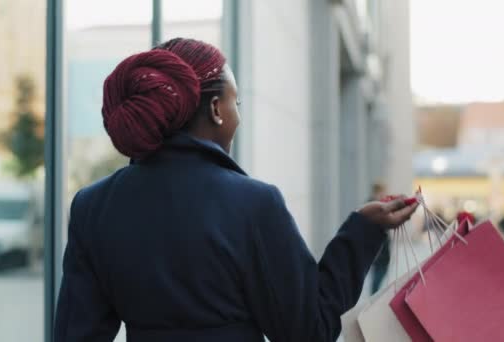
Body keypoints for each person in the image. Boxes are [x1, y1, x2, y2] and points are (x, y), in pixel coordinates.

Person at [53, 38, 418, 342]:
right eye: (236, 102)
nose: (238, 116)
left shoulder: (93, 206)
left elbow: (76, 334)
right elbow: (308, 330)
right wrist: (362, 231)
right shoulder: (254, 204)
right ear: (216, 109)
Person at [368, 183, 391, 294]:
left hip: (382, 250)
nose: (383, 195)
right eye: (382, 192)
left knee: (380, 276)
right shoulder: (370, 208)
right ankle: (372, 299)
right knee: (377, 278)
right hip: (377, 250)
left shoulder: (381, 206)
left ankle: (373, 298)